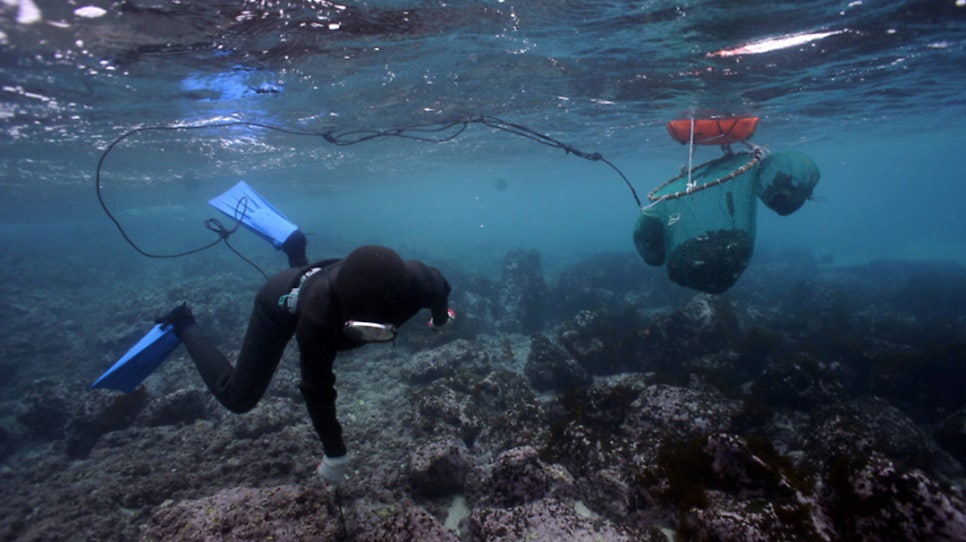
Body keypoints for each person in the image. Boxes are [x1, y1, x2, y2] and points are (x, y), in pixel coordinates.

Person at [157, 230, 453, 487]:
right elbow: (318, 390)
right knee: (237, 398)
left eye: (381, 330)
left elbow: (442, 292)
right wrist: (335, 457)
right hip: (280, 301)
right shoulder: (317, 321)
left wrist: (440, 320)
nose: (370, 340)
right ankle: (183, 323)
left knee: (313, 281)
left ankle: (295, 247)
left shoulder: (422, 282)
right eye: (362, 331)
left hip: (328, 275)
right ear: (344, 316)